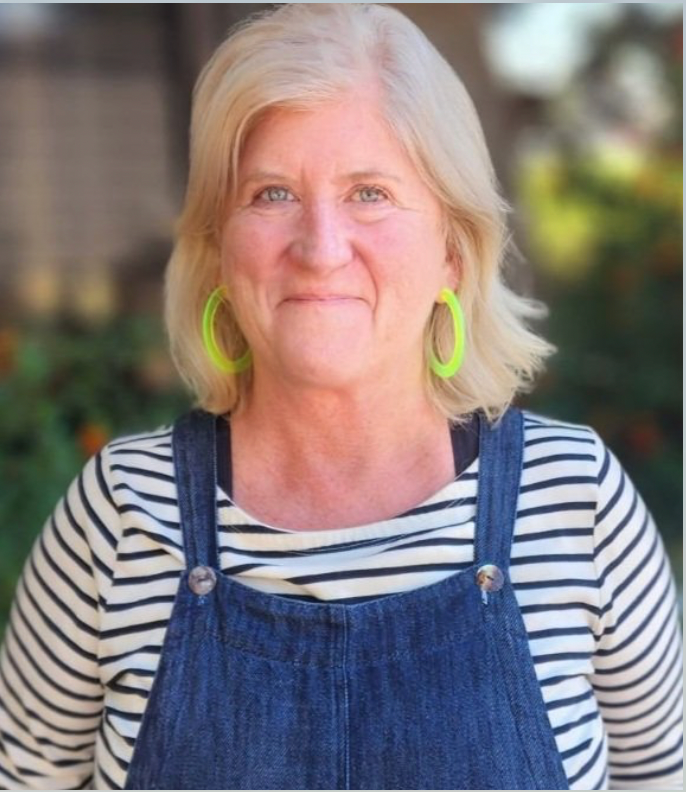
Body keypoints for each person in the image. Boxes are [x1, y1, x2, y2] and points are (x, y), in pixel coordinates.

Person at [0, 4, 682, 790]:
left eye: (370, 193)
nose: (321, 249)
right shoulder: (118, 517)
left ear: (453, 253)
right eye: (272, 194)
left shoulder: (576, 503)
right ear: (218, 249)